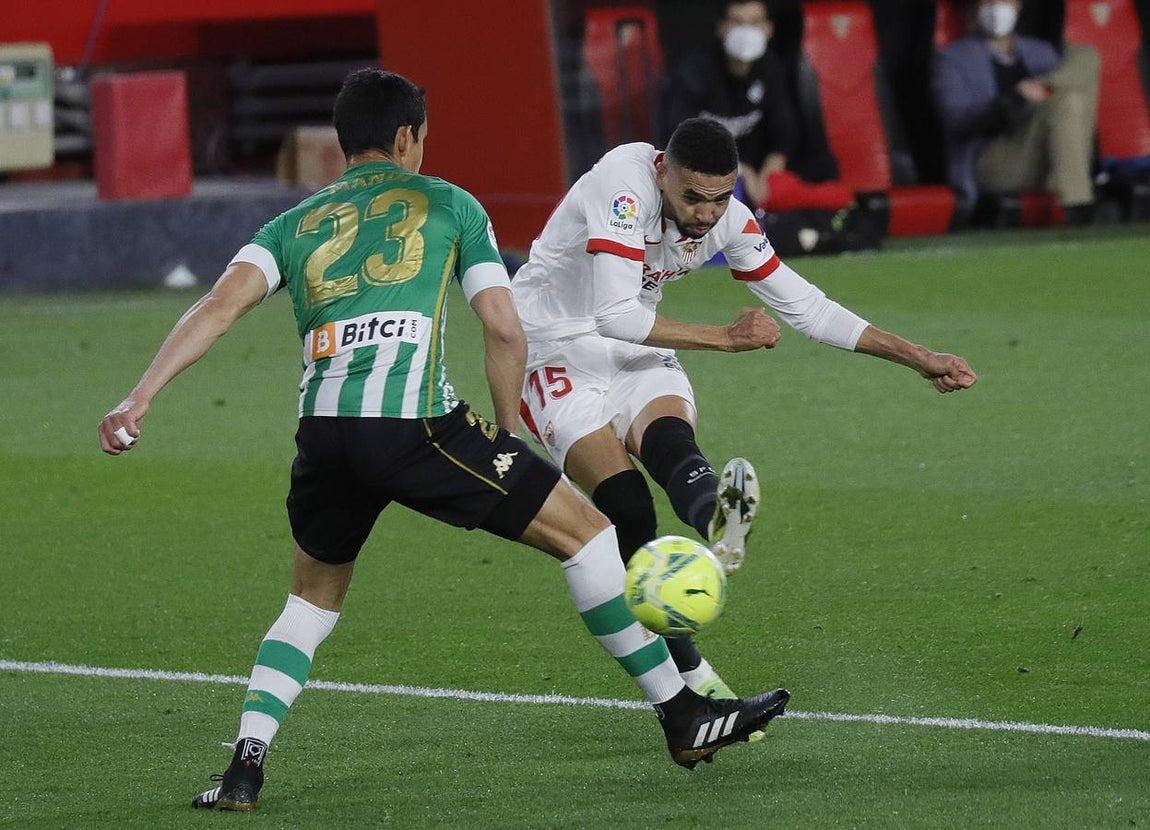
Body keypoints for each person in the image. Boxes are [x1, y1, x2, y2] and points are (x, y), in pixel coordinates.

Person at [97, 71, 790, 812]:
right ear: (407, 139)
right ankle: (683, 714)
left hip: (323, 435)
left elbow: (218, 305)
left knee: (310, 600)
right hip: (415, 424)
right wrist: (506, 426)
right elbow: (501, 323)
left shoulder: (292, 225)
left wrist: (139, 397)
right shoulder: (452, 204)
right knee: (591, 537)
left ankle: (245, 766)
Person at [511, 116, 977, 694]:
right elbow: (615, 314)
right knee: (628, 508)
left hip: (632, 344)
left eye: (720, 197)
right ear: (663, 172)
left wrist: (916, 356)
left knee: (673, 445)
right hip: (552, 345)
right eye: (693, 197)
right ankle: (687, 669)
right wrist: (727, 338)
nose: (707, 213)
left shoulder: (727, 216)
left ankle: (717, 516)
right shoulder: (621, 186)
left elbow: (807, 306)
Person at [658, 0, 851, 213]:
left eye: (754, 22)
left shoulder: (771, 68)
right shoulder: (692, 73)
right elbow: (679, 139)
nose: (746, 32)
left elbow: (785, 132)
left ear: (768, 29)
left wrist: (771, 170)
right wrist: (738, 169)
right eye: (738, 22)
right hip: (709, 170)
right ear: (721, 28)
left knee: (819, 169)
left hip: (759, 172)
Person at [933, 0, 1100, 224]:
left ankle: (1075, 199)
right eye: (987, 2)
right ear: (974, 8)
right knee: (1065, 101)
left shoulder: (1040, 52)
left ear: (1018, 6)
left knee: (1085, 59)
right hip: (995, 160)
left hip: (1043, 154)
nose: (995, 8)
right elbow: (955, 121)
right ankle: (1079, 206)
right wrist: (1009, 102)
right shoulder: (953, 59)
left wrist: (1039, 87)